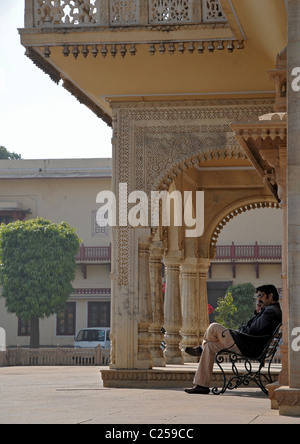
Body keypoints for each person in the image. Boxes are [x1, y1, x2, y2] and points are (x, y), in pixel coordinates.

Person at [184, 284, 282, 394]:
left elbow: (252, 331)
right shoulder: (271, 310)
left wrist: (239, 331)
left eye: (261, 295)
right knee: (209, 346)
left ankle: (200, 349)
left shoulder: (270, 312)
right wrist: (257, 313)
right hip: (247, 345)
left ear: (270, 296)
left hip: (247, 346)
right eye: (258, 295)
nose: (259, 298)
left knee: (214, 327)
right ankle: (202, 385)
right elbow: (255, 329)